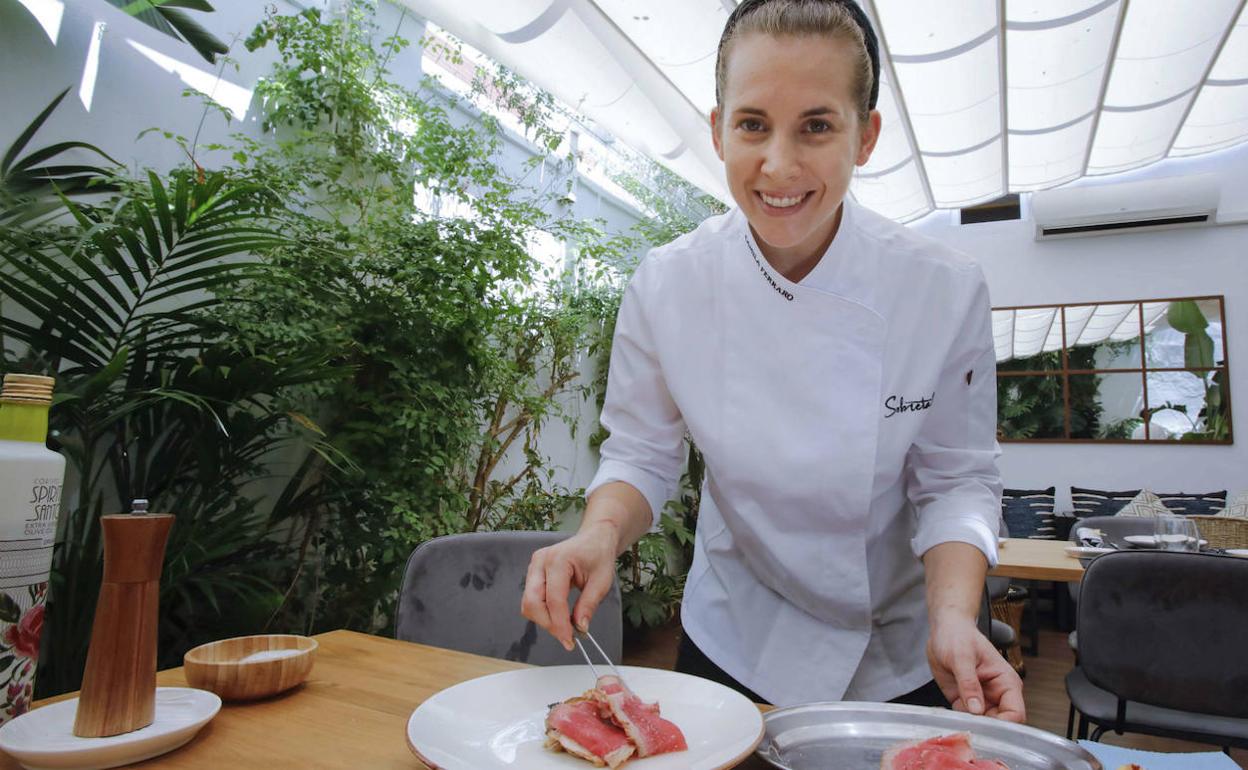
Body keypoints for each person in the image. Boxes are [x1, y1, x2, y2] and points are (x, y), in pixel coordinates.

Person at [522, 0, 1024, 721]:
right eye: (752, 124)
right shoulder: (668, 285)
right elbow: (641, 453)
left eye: (816, 126)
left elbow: (955, 480)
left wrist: (954, 615)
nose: (779, 165)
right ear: (718, 130)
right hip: (737, 636)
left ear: (866, 136)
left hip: (905, 646)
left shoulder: (940, 289)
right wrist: (598, 534)